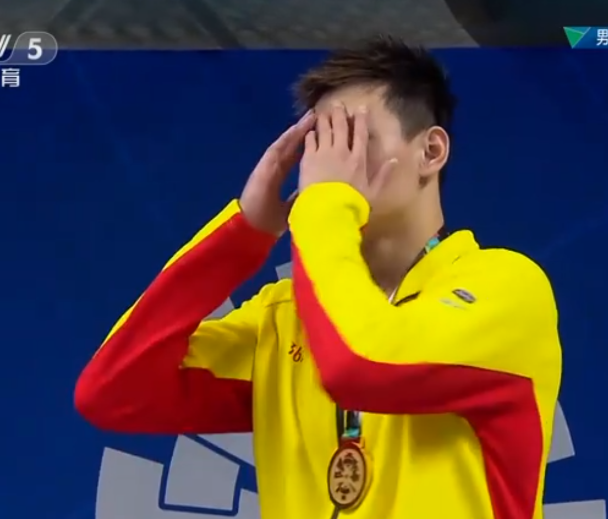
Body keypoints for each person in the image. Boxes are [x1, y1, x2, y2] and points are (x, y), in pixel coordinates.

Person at [75, 35, 562, 519]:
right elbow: (113, 392)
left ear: (431, 151)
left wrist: (326, 206)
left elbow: (362, 364)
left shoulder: (507, 286)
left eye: (355, 139)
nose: (331, 166)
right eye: (320, 144)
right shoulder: (283, 317)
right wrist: (243, 234)